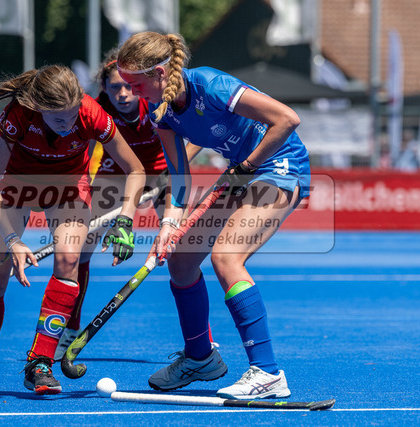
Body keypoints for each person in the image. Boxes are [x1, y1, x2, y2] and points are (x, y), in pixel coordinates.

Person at [117, 32, 311, 400]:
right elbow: (179, 178)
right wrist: (168, 225)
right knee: (181, 261)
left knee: (226, 258)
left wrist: (248, 164)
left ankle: (268, 373)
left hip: (279, 166)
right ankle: (200, 358)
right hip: (242, 172)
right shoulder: (162, 113)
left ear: (160, 73)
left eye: (136, 84)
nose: (131, 93)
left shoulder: (211, 85)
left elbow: (287, 119)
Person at [0, 64, 145, 397]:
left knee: (69, 262)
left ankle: (40, 363)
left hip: (68, 189)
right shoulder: (17, 116)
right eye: (57, 119)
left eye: (71, 116)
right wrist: (13, 240)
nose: (67, 126)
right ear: (38, 107)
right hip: (16, 187)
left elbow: (135, 169)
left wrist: (125, 219)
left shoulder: (92, 114)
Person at [53, 49, 203, 360]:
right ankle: (69, 330)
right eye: (114, 88)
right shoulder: (95, 109)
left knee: (183, 254)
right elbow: (82, 151)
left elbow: (200, 134)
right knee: (79, 251)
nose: (122, 94)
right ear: (104, 89)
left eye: (127, 86)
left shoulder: (156, 101)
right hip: (115, 175)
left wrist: (173, 169)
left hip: (162, 175)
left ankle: (202, 342)